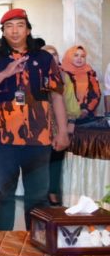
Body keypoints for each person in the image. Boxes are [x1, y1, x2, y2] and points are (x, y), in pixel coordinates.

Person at [0, 8, 69, 230]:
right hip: (2, 141)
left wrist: (62, 132)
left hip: (38, 140)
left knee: (38, 197)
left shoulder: (44, 59)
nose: (14, 31)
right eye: (9, 26)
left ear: (28, 30)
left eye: (19, 25)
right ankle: (2, 241)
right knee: (3, 195)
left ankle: (36, 240)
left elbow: (57, 96)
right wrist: (5, 73)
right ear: (3, 31)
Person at [42, 45, 81, 207]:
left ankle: (52, 191)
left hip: (59, 125)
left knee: (55, 159)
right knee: (39, 161)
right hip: (38, 126)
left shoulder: (64, 76)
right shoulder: (32, 75)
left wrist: (71, 122)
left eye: (54, 54)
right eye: (47, 54)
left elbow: (71, 102)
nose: (52, 57)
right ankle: (39, 192)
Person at [61, 45, 101, 119]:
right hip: (65, 115)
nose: (79, 58)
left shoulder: (90, 73)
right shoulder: (61, 73)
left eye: (82, 56)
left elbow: (96, 94)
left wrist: (86, 110)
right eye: (76, 55)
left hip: (86, 115)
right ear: (69, 56)